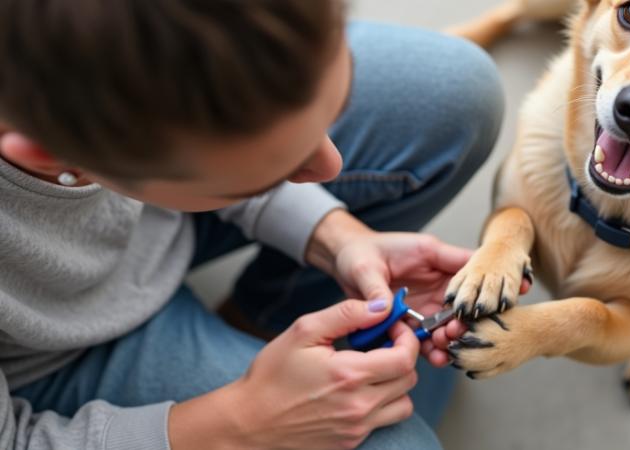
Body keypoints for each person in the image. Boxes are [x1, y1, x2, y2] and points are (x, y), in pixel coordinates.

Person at [0, 1, 505, 449]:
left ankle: (254, 322)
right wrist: (243, 421)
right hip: (56, 355)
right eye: (264, 175)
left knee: (451, 91)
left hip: (151, 208)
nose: (331, 168)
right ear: (57, 156)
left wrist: (338, 236)